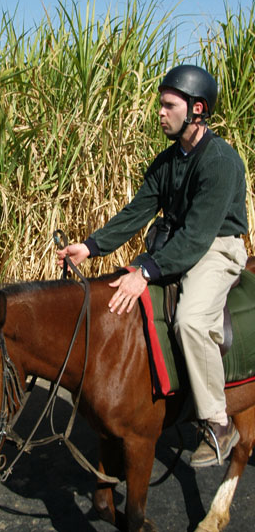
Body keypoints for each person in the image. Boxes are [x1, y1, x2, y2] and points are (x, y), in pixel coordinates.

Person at [57, 64, 248, 467]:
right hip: (177, 244)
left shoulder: (220, 161)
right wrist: (90, 248)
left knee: (191, 321)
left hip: (216, 247)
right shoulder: (167, 161)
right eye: (160, 105)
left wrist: (145, 271)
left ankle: (218, 422)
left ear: (197, 109)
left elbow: (197, 237)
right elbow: (136, 212)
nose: (160, 113)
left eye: (169, 105)